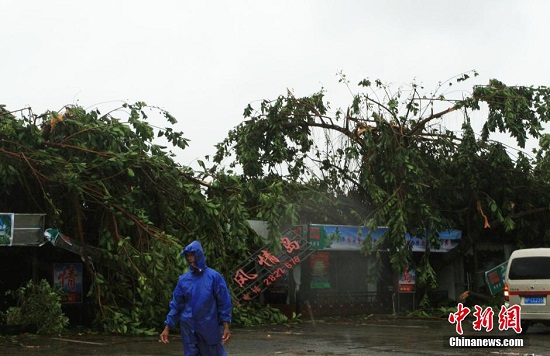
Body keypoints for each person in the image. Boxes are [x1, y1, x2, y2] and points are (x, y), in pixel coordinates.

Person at [160, 240, 232, 355]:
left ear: (199, 255)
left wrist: (226, 326)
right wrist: (167, 327)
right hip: (188, 328)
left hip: (209, 326)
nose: (189, 258)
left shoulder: (214, 277)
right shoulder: (184, 280)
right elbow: (176, 304)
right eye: (187, 256)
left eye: (192, 255)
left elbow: (223, 303)